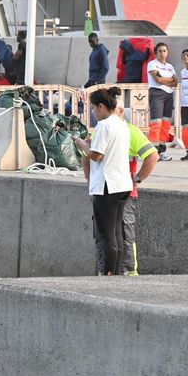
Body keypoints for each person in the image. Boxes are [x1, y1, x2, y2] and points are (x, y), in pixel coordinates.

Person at [92, 103, 158, 276]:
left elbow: (152, 155)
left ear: (121, 112)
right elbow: (89, 158)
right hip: (104, 190)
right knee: (104, 235)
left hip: (121, 191)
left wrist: (137, 179)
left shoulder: (130, 131)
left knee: (122, 234)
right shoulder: (101, 129)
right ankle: (106, 272)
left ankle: (127, 273)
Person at [73, 87, 133, 276]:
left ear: (101, 106)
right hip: (122, 183)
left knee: (107, 233)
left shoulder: (104, 125)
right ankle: (116, 271)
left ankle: (108, 272)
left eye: (93, 108)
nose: (92, 112)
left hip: (107, 185)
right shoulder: (121, 124)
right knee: (116, 231)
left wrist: (81, 144)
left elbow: (96, 155)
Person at [146, 42, 176, 159]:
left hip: (169, 95)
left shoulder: (170, 66)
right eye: (160, 51)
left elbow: (175, 82)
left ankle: (162, 150)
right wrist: (168, 80)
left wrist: (164, 79)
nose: (162, 53)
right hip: (157, 94)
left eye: (164, 51)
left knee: (165, 124)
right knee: (156, 123)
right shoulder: (152, 64)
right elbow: (157, 80)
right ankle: (153, 151)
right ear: (156, 52)